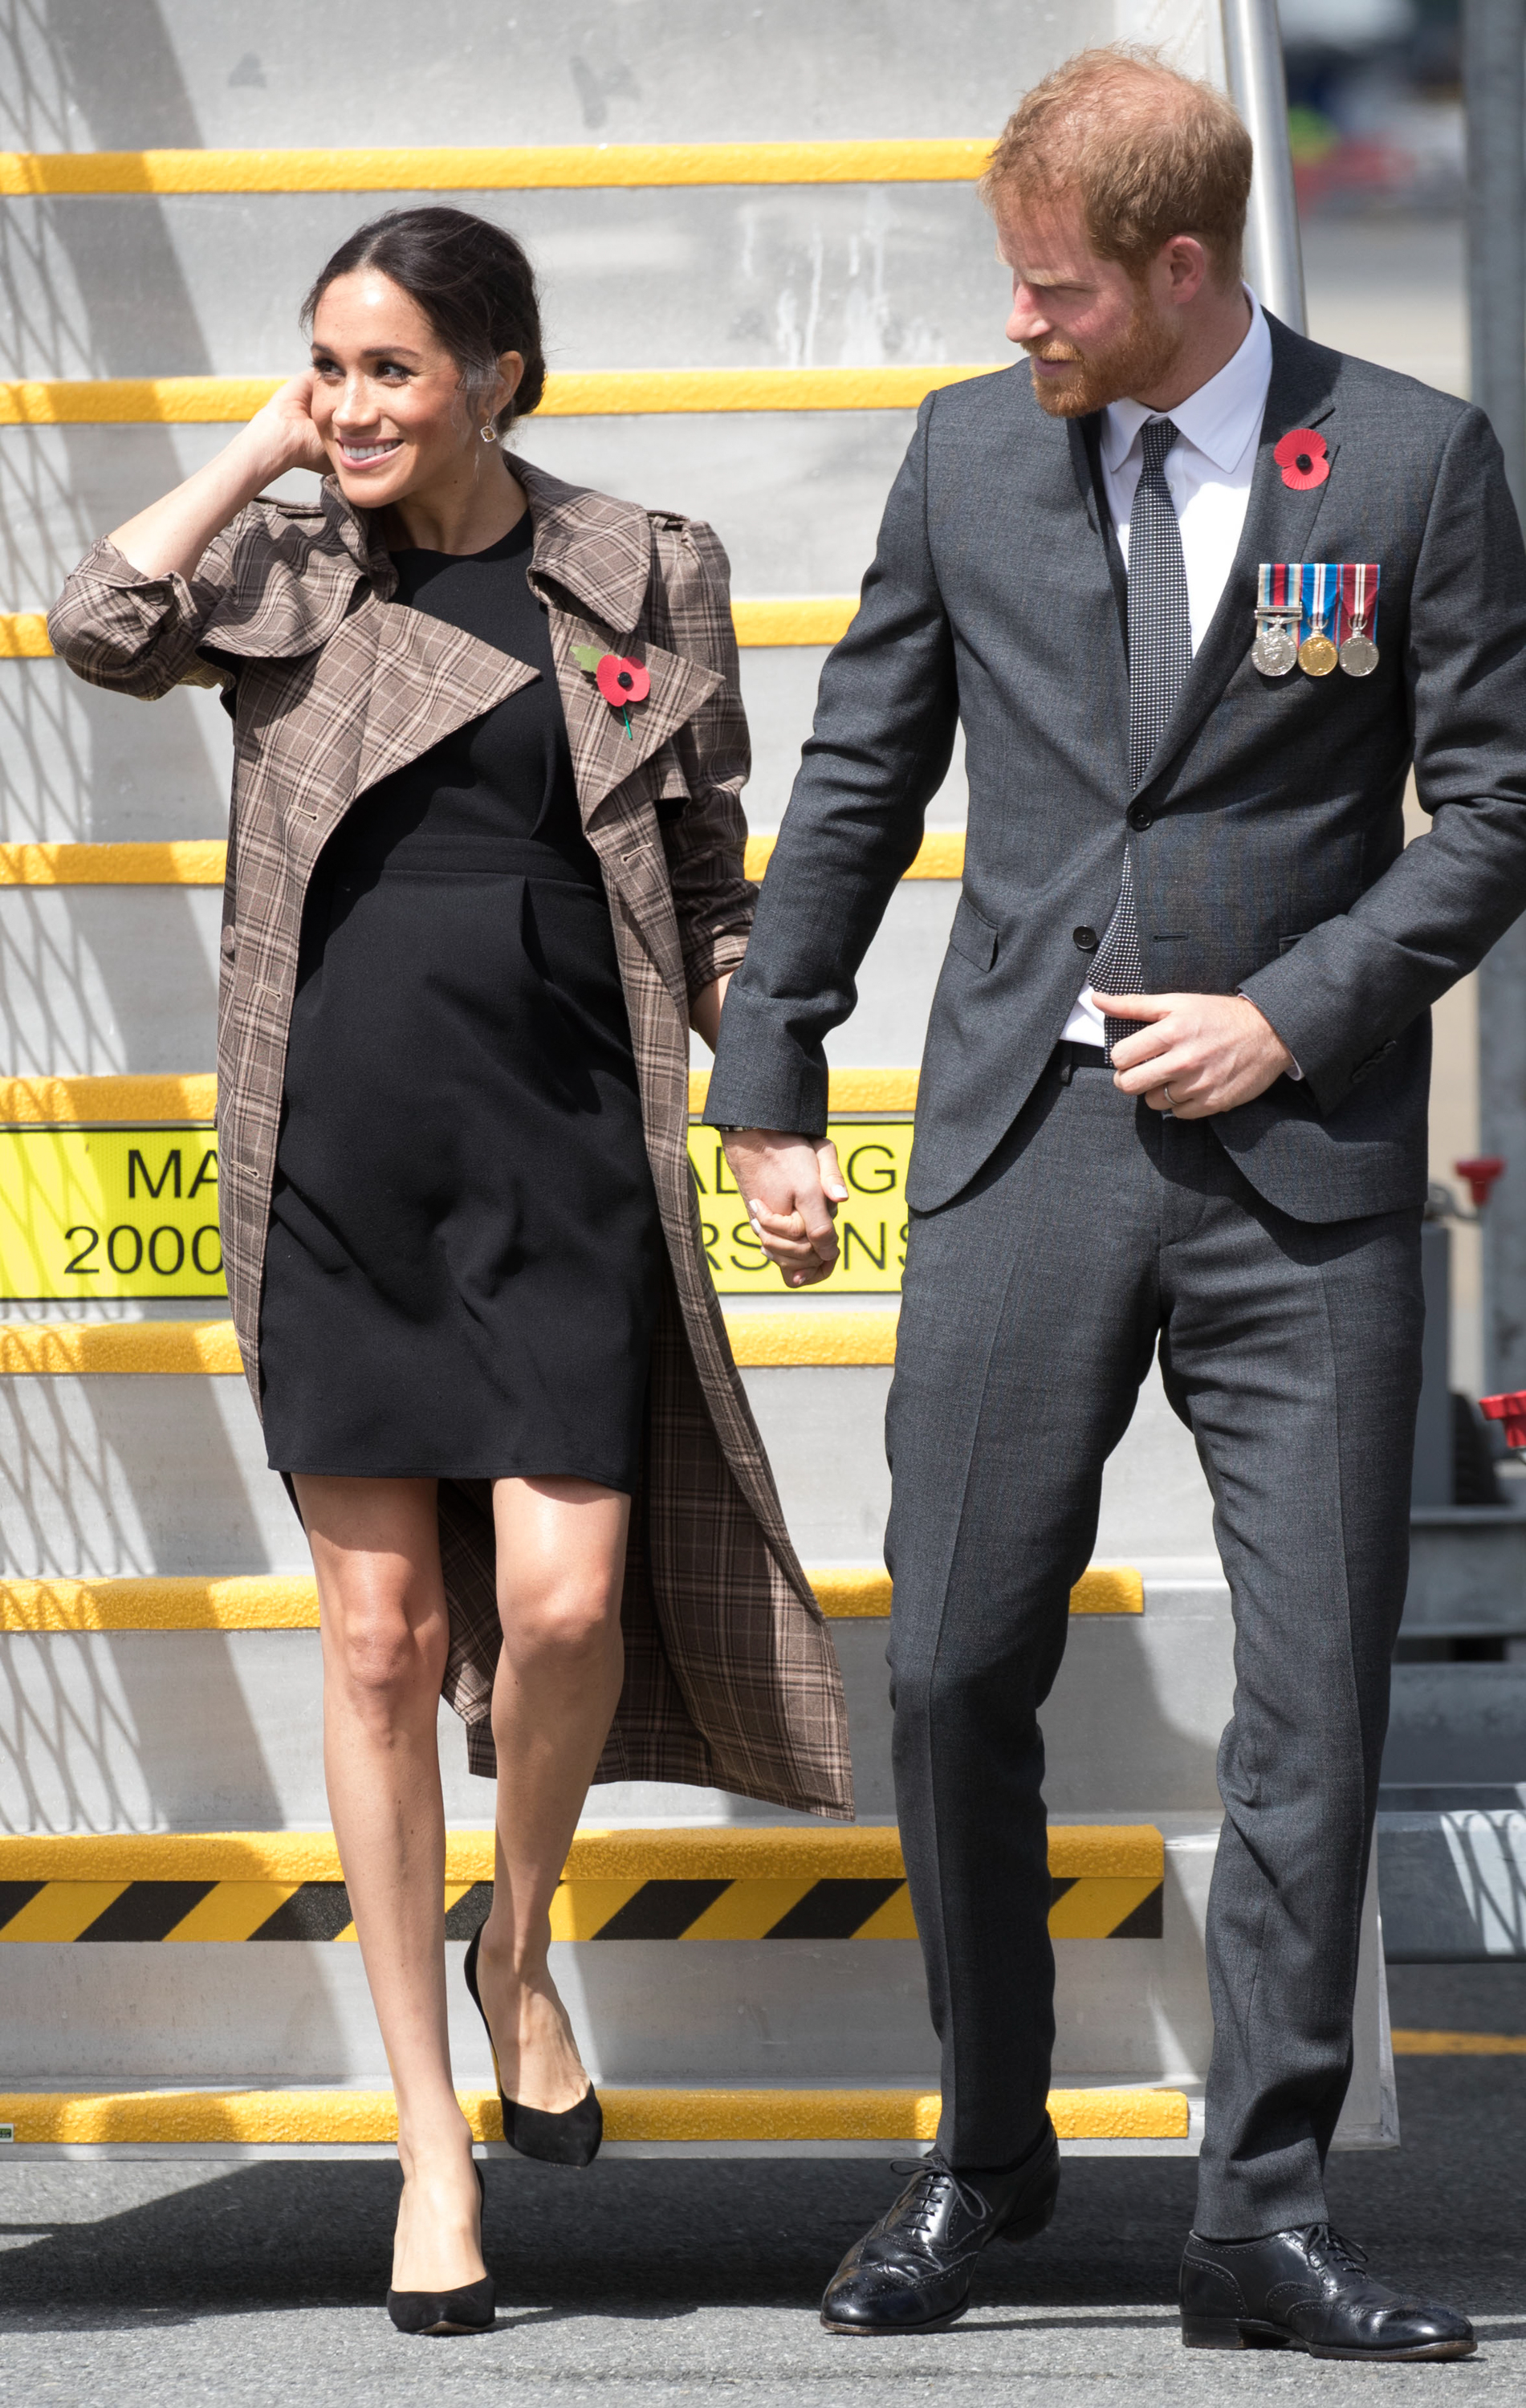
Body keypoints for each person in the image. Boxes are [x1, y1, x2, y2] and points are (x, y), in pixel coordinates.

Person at [704, 47, 1523, 2361]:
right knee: (955, 1660)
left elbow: (1496, 799)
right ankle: (985, 2155)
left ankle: (1258, 2212)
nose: (1022, 322)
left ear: (1184, 269)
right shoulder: (974, 450)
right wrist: (774, 1073)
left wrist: (1298, 1010)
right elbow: (862, 767)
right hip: (1022, 1143)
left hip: (1302, 1162)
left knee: (1316, 1696)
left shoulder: (1406, 459)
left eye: (1055, 289)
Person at [50, 205, 850, 2337]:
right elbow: (92, 624)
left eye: (393, 367)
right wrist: (252, 447)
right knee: (386, 1642)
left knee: (571, 1604)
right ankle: (428, 2139)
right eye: (331, 361)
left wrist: (771, 1114)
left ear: (501, 372)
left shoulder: (642, 565)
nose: (356, 401)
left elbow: (708, 869)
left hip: (569, 1152)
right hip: (335, 1161)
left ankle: (518, 1945)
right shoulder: (290, 562)